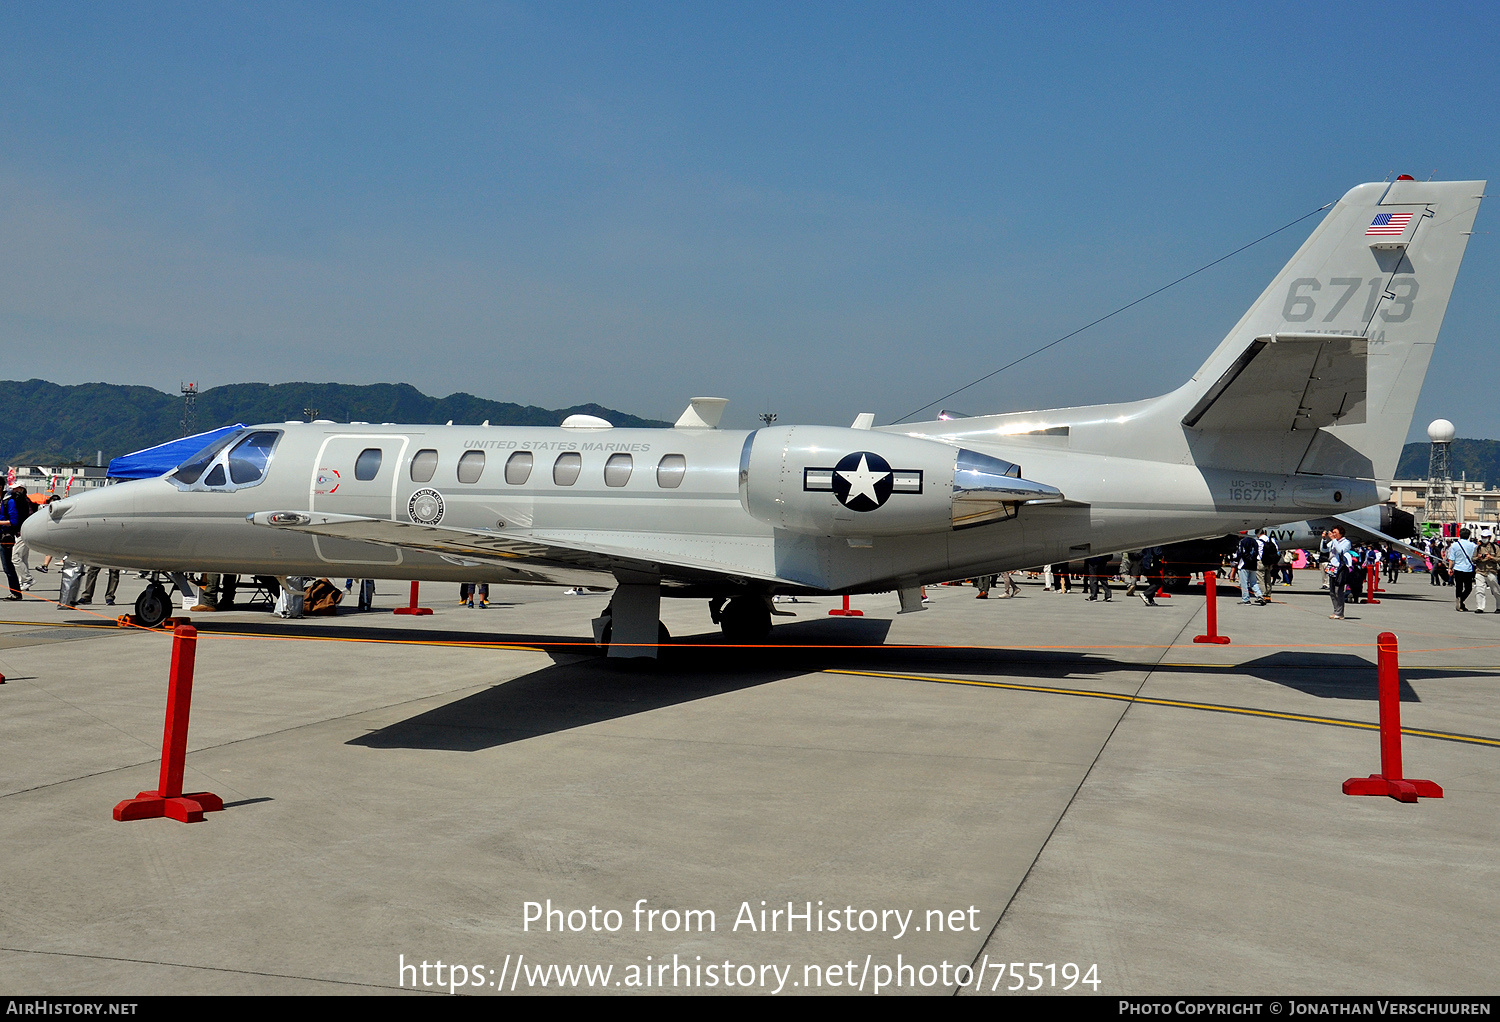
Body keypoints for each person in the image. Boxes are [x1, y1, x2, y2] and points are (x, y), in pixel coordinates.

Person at [0, 486, 33, 600]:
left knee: (8, 567)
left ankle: (16, 592)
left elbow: (14, 521)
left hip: (5, 537)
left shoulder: (9, 501)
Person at [1445, 527, 1478, 612]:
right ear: (1469, 536)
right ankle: (1462, 601)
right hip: (1469, 569)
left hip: (1458, 568)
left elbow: (1452, 558)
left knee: (1458, 587)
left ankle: (1459, 601)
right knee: (1468, 588)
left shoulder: (1455, 545)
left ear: (1459, 535)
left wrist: (1450, 568)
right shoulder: (1473, 546)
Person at [1326, 526, 1352, 619]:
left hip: (1340, 568)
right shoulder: (1333, 542)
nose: (1333, 534)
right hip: (1332, 568)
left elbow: (1340, 550)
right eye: (1332, 532)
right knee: (1332, 591)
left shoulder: (1346, 542)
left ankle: (1340, 612)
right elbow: (1324, 549)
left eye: (1335, 532)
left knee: (1338, 591)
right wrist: (1323, 539)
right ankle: (1335, 610)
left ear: (1341, 533)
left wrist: (1334, 540)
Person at [1472, 528, 1500, 614]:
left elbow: (1499, 559)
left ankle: (1499, 606)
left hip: (1491, 571)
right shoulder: (1478, 548)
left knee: (1496, 590)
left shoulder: (1495, 548)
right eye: (1482, 537)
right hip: (1480, 571)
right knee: (1479, 589)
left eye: (1486, 537)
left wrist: (1491, 557)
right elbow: (1473, 559)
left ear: (1490, 537)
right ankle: (1480, 607)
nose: (1484, 538)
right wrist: (1479, 557)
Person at [1235, 532, 1264, 605]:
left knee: (1243, 583)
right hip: (1253, 564)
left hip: (1244, 564)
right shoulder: (1255, 541)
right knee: (1253, 582)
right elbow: (1256, 553)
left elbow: (1240, 553)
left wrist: (1237, 559)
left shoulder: (1242, 542)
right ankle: (1259, 595)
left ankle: (1246, 599)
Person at [1256, 529, 1280, 599]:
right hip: (1269, 562)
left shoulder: (1258, 541)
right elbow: (1276, 549)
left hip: (1261, 561)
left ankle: (1263, 594)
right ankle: (1268, 595)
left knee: (1260, 579)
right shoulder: (1271, 540)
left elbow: (1257, 552)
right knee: (1268, 579)